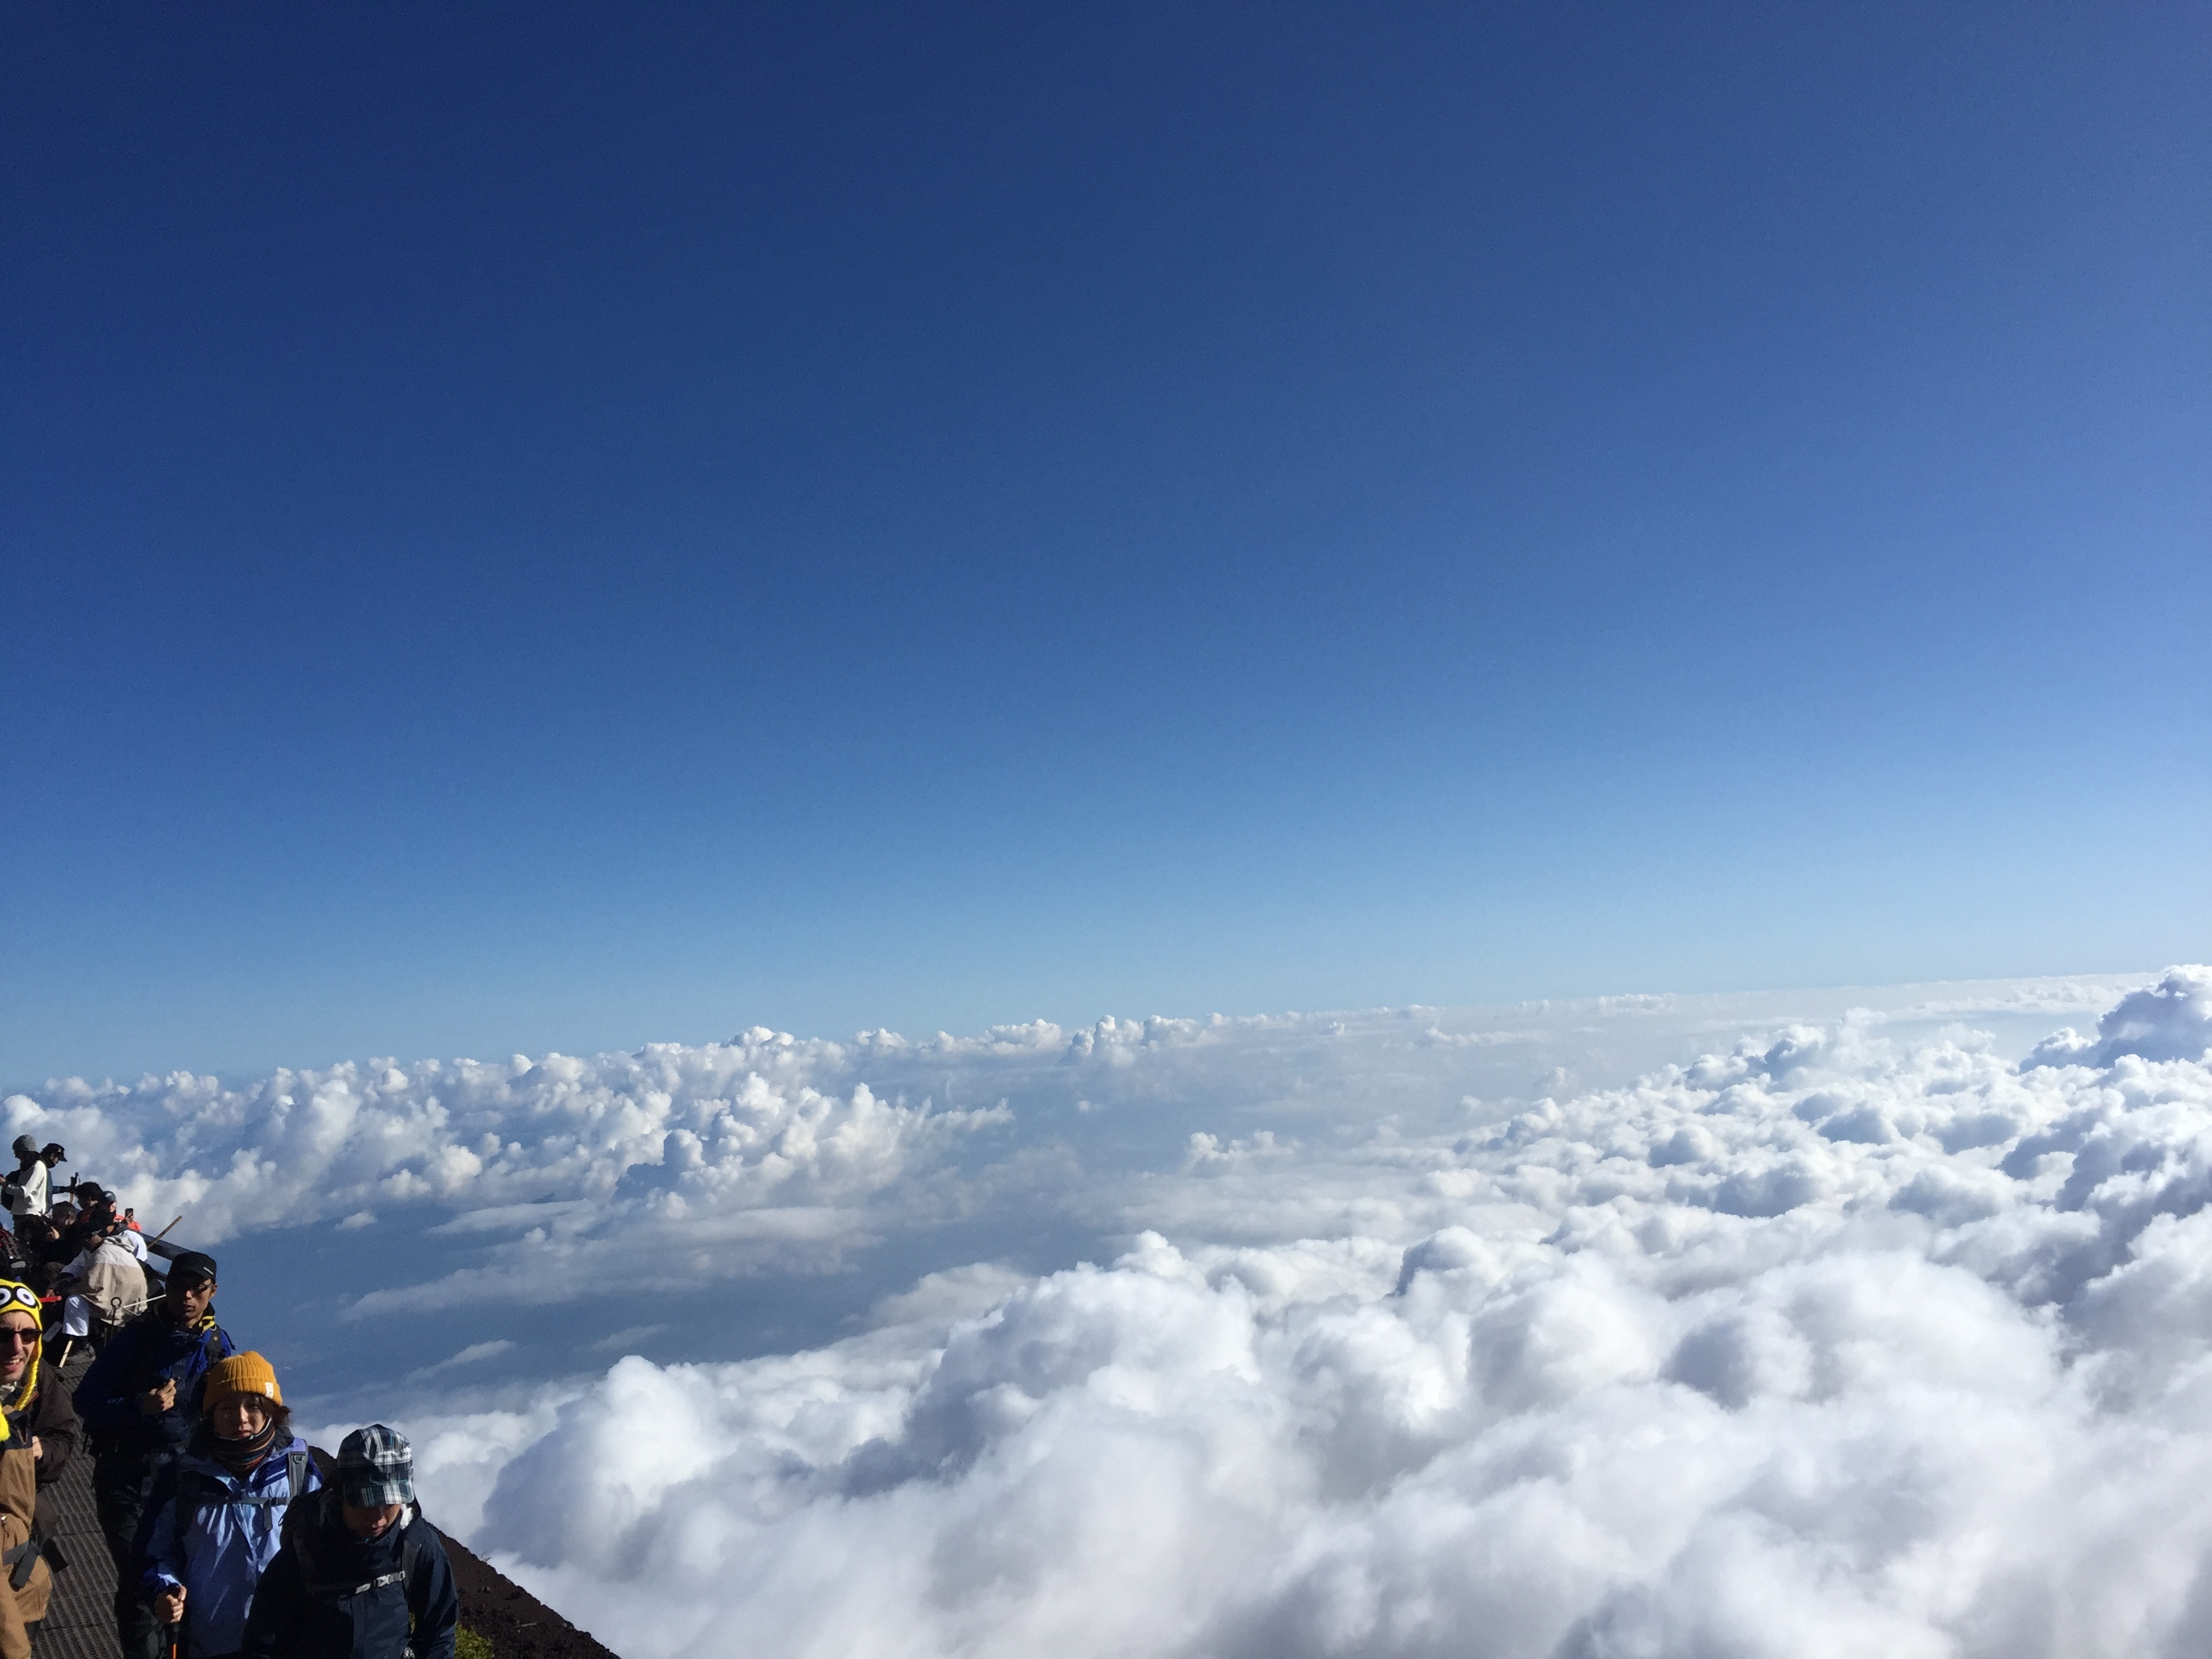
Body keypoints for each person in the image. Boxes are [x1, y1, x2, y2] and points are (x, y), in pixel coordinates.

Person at [75, 1252, 236, 1659]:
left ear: (211, 1292)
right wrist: (138, 1407)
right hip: (126, 1478)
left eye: (197, 1290)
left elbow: (233, 1404)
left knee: (186, 1581)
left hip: (183, 1480)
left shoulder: (217, 1344)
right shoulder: (136, 1338)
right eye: (179, 1286)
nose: (187, 1297)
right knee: (141, 1582)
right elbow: (85, 1399)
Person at [138, 1353, 319, 1659]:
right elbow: (154, 1552)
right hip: (210, 1644)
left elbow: (327, 1547)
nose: (241, 1418)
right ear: (210, 1414)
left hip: (288, 1641)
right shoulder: (181, 1478)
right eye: (228, 1407)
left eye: (253, 1405)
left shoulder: (298, 1470)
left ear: (273, 1412)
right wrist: (164, 1591)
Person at [240, 1425, 456, 1659]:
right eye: (365, 1501)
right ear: (341, 1492)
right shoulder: (305, 1547)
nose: (378, 1517)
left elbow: (439, 1630)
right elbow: (262, 1644)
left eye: (389, 1502)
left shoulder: (416, 1545)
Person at [0, 1277, 81, 1659]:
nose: (17, 1348)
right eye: (3, 1334)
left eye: (29, 1334)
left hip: (24, 1551)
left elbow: (64, 1436)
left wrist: (39, 1452)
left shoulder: (40, 1378)